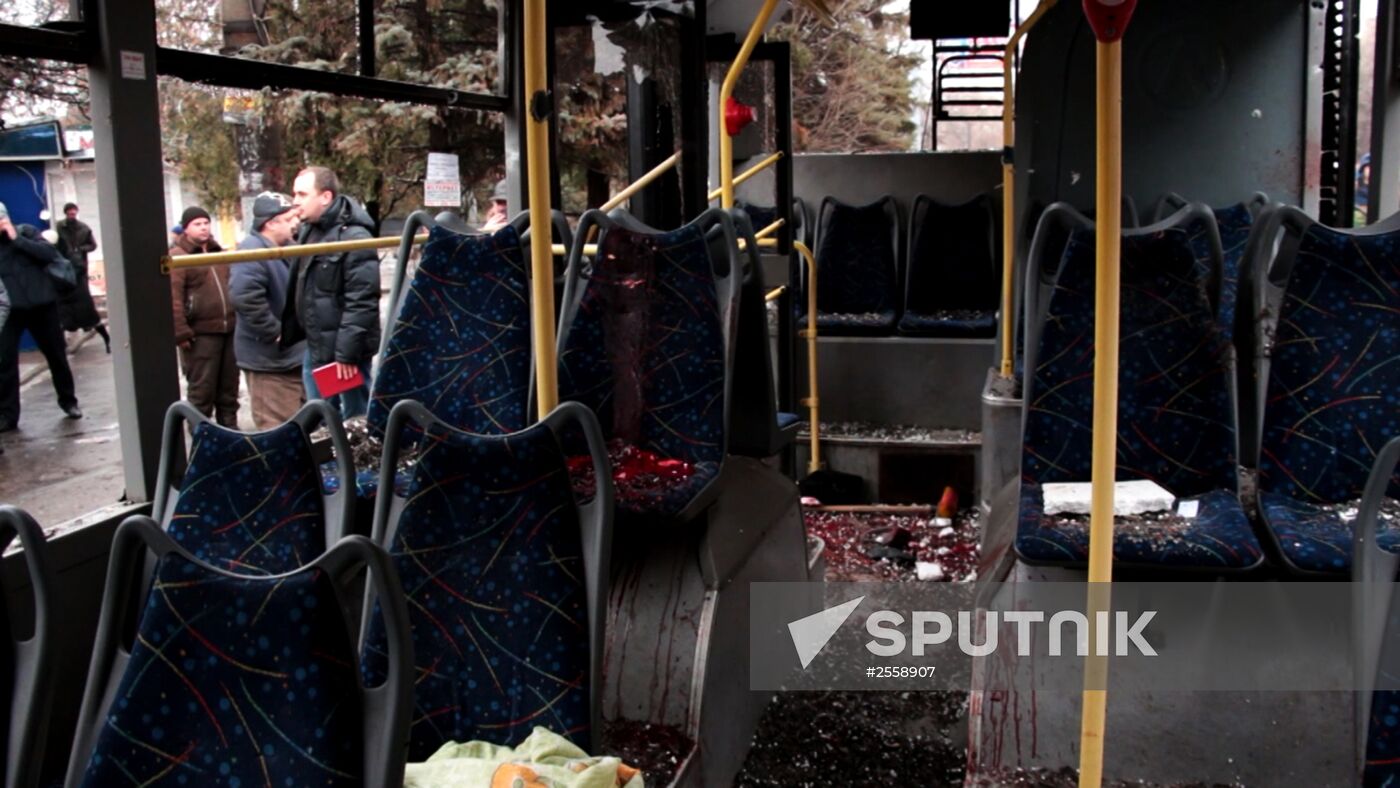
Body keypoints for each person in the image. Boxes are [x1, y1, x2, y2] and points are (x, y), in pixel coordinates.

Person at [281, 166, 380, 418]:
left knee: (352, 425)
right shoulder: (310, 232)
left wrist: (345, 356)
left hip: (342, 355)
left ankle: (353, 460)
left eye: (303, 194)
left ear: (325, 197)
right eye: (295, 194)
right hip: (318, 348)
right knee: (322, 421)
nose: (296, 202)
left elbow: (362, 301)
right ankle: (329, 459)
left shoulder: (353, 236)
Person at [0, 201, 82, 431]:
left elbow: (49, 254)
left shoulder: (26, 232)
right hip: (10, 311)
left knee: (57, 356)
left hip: (42, 306)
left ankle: (69, 402)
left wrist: (16, 239)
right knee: (5, 363)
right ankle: (8, 415)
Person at [230, 192, 305, 429]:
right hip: (269, 362)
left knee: (300, 428)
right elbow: (244, 296)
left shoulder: (288, 248)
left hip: (291, 358)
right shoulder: (252, 251)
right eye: (289, 218)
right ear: (270, 223)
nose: (296, 223)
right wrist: (275, 331)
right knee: (278, 430)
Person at [169, 206, 238, 428]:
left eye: (206, 223)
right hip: (200, 335)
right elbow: (173, 297)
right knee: (202, 391)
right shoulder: (178, 257)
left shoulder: (219, 253)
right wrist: (180, 332)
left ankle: (231, 435)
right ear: (186, 228)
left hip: (228, 330)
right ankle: (202, 438)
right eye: (197, 224)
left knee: (229, 389)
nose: (203, 227)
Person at [54, 202, 111, 353]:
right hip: (64, 270)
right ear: (66, 213)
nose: (72, 216)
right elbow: (56, 244)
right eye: (69, 214)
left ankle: (106, 339)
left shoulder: (84, 228)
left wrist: (80, 250)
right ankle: (62, 344)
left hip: (79, 269)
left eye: (74, 213)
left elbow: (93, 245)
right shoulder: (60, 227)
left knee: (86, 307)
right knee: (64, 312)